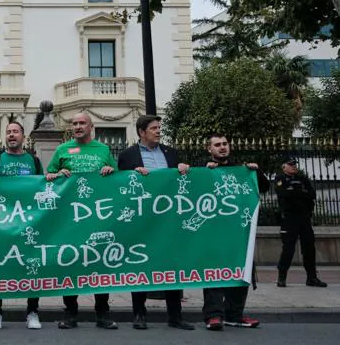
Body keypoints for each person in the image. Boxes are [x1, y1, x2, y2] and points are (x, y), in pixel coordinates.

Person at [117, 115, 194, 331]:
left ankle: (175, 315)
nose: (159, 131)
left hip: (168, 221)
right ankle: (139, 313)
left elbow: (182, 183)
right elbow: (120, 186)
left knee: (171, 264)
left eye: (160, 128)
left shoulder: (172, 153)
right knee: (140, 264)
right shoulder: (127, 155)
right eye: (153, 128)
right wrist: (133, 175)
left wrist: (183, 169)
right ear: (141, 132)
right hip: (142, 220)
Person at [46, 112, 118, 330]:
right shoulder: (62, 149)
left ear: (91, 126)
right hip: (69, 218)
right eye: (74, 123)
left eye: (81, 123)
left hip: (97, 217)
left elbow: (117, 179)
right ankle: (70, 312)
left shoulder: (103, 150)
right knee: (71, 262)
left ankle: (103, 313)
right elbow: (47, 178)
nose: (77, 126)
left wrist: (110, 170)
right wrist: (57, 174)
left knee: (99, 262)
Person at [0, 121, 44, 330]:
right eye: (8, 132)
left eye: (15, 132)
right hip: (1, 223)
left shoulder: (33, 160)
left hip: (28, 221)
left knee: (32, 265)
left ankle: (32, 312)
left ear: (23, 137)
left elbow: (42, 187)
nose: (11, 135)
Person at [200, 133, 270, 331]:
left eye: (224, 144)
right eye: (217, 145)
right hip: (214, 232)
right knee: (214, 274)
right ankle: (213, 315)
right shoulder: (204, 168)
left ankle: (235, 315)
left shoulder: (242, 169)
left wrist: (257, 171)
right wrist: (204, 172)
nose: (222, 147)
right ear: (209, 149)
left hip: (240, 232)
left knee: (241, 272)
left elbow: (264, 187)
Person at [275, 156, 327, 288]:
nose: (294, 166)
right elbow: (284, 194)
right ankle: (282, 277)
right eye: (290, 164)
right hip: (289, 219)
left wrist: (295, 192)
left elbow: (312, 194)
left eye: (294, 164)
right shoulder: (280, 179)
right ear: (284, 167)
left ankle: (312, 277)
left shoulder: (302, 178)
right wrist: (300, 193)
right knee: (288, 249)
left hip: (304, 218)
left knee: (309, 248)